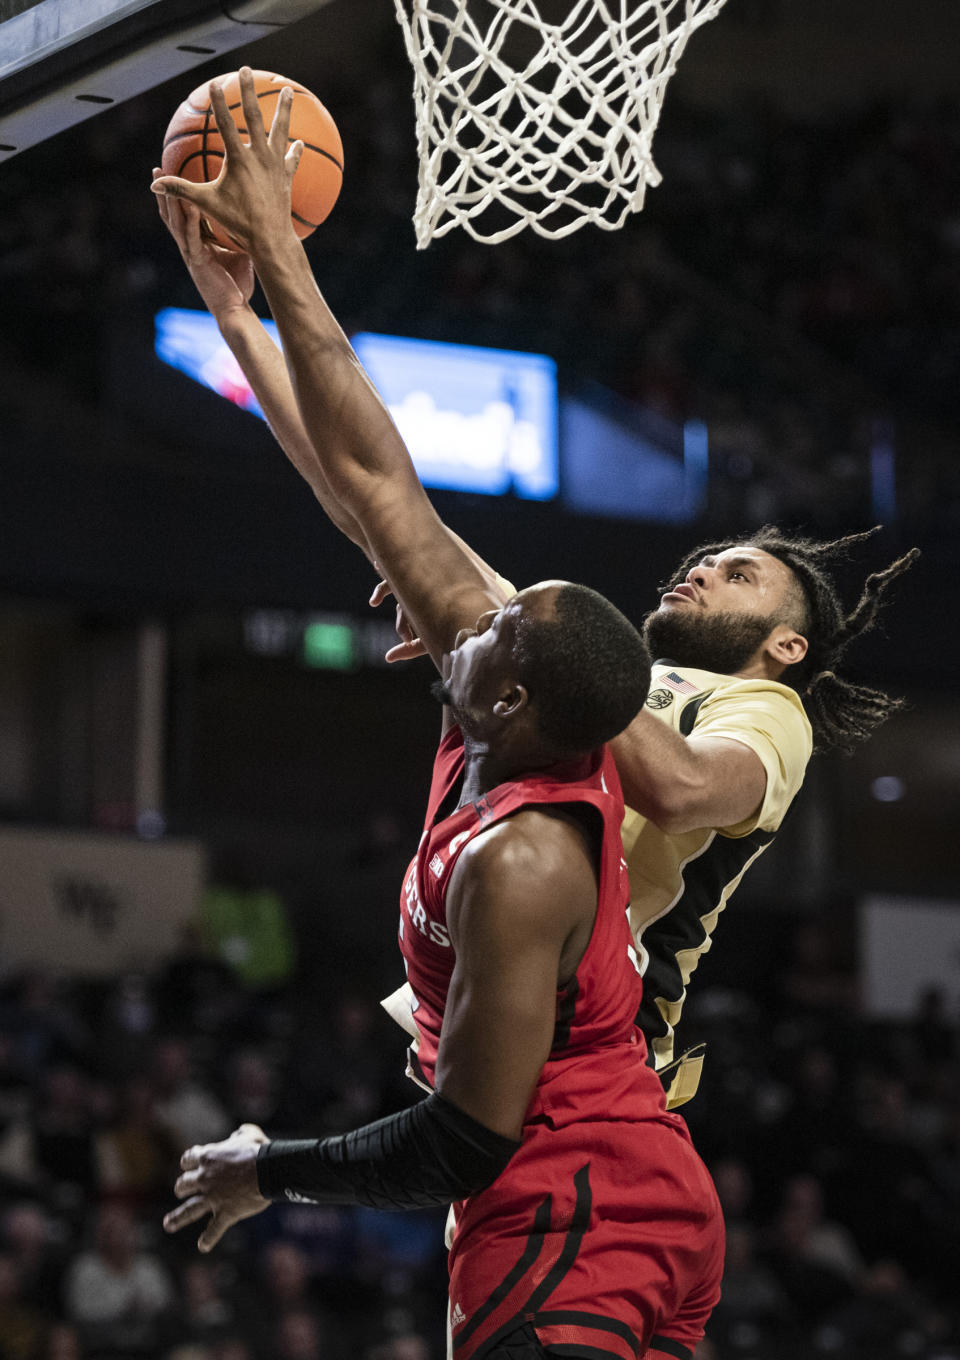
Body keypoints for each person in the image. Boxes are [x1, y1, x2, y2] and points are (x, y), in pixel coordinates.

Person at [151, 85, 917, 1114]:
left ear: (785, 645)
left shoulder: (765, 716)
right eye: (711, 554)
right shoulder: (558, 641)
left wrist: (506, 655)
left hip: (604, 1049)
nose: (703, 567)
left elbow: (686, 789)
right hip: (501, 997)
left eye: (741, 573)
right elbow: (369, 499)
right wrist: (236, 312)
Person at [155, 71, 725, 1360]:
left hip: (582, 1202)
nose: (460, 617)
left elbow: (463, 1135)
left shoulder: (526, 857)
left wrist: (270, 1167)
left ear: (511, 690)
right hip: (606, 1187)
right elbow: (370, 482)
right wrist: (242, 302)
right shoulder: (508, 708)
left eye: (490, 626)